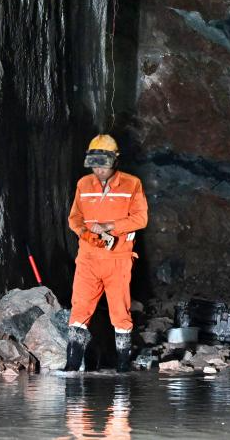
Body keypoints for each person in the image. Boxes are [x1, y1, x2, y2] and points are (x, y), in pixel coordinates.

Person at [63, 134, 148, 372]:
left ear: (115, 160)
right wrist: (84, 232)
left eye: (104, 163)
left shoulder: (132, 184)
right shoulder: (83, 185)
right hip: (88, 259)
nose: (99, 170)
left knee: (120, 312)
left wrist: (110, 226)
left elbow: (141, 218)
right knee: (79, 309)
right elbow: (74, 218)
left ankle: (123, 367)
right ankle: (71, 366)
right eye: (95, 164)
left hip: (118, 259)